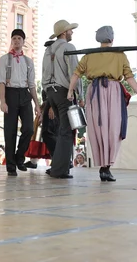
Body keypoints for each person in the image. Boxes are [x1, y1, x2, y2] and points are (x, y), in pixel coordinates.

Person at [67, 26, 137, 182]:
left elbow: (76, 75)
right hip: (113, 90)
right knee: (113, 128)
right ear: (112, 39)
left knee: (98, 128)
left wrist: (70, 91)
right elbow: (129, 77)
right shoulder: (119, 55)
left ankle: (104, 167)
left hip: (95, 91)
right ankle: (106, 167)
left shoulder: (89, 56)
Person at [0, 29, 41, 176]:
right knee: (10, 131)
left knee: (29, 128)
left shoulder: (28, 61)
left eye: (19, 39)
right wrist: (2, 101)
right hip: (10, 94)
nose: (16, 41)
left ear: (23, 41)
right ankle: (11, 165)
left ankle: (19, 157)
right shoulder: (4, 59)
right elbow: (1, 82)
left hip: (24, 94)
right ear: (11, 40)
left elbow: (32, 84)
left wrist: (37, 104)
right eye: (14, 38)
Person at [42, 20, 81, 179]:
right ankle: (59, 170)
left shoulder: (48, 49)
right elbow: (75, 72)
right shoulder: (68, 47)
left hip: (50, 92)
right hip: (64, 91)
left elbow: (44, 72)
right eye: (71, 30)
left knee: (61, 130)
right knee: (66, 132)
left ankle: (58, 166)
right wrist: (79, 94)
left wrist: (46, 92)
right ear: (64, 32)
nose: (72, 32)